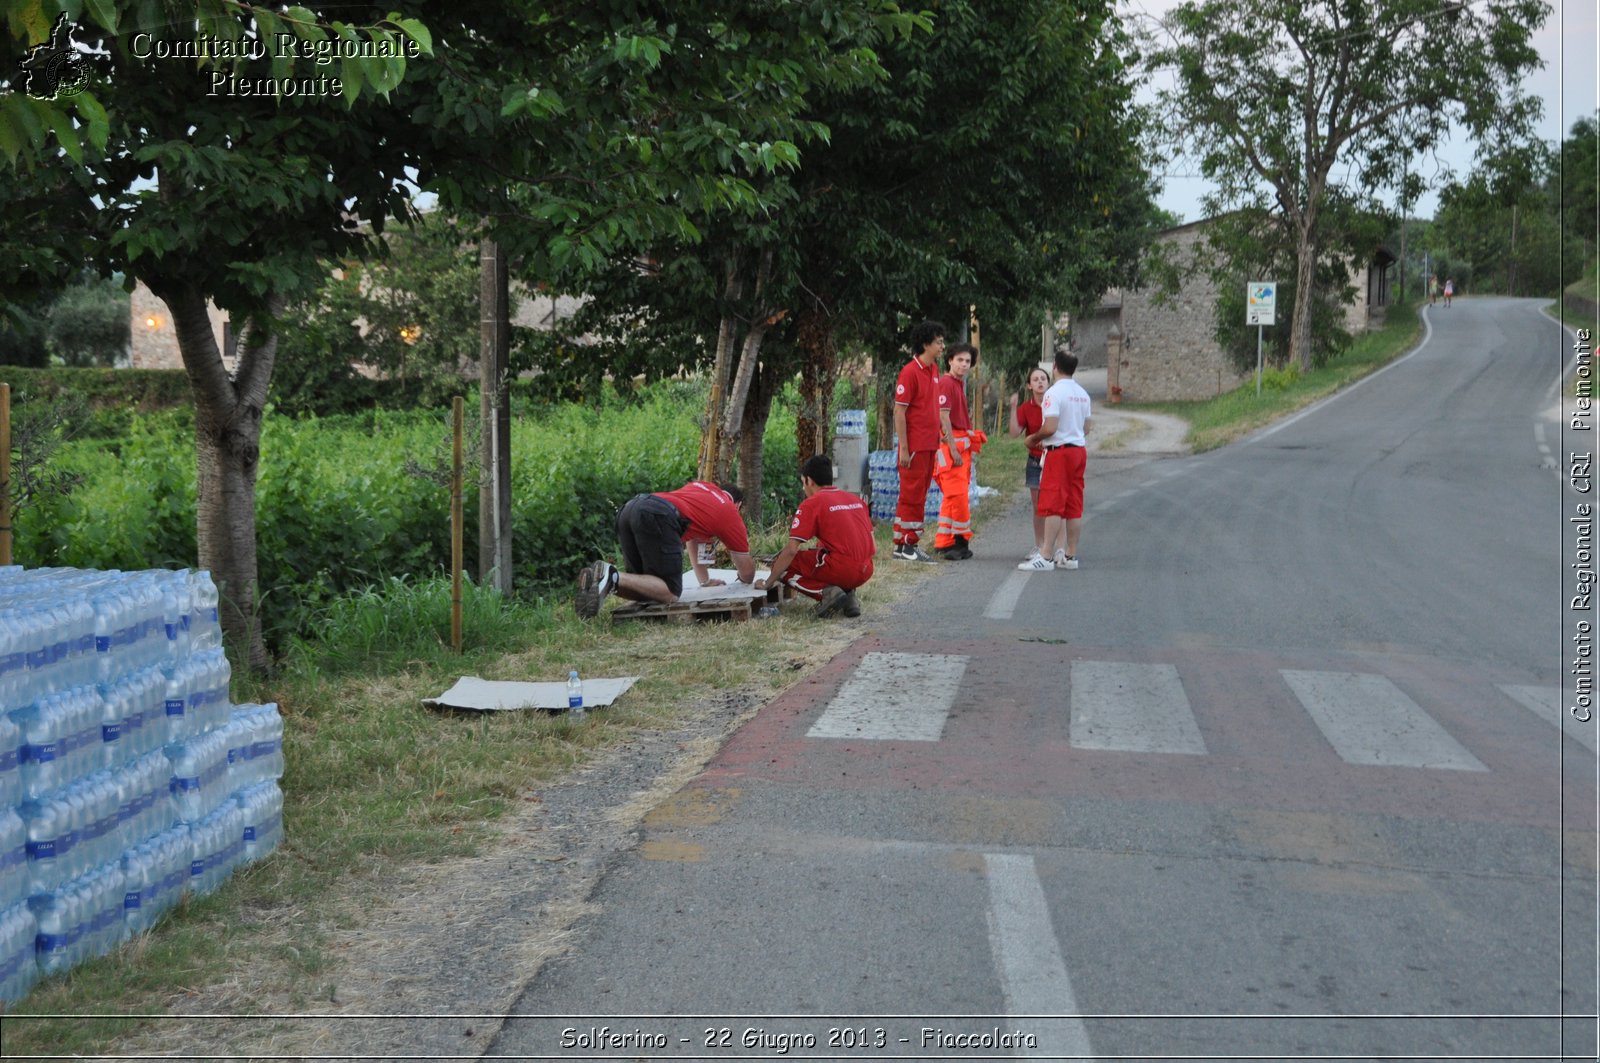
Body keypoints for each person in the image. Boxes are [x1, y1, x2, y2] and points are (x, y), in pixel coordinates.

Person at [575, 480, 756, 617]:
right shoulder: (730, 512)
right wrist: (742, 576)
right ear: (738, 505)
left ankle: (602, 582)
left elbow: (693, 541)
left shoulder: (702, 487)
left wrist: (705, 581)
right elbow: (747, 573)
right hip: (657, 515)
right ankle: (611, 574)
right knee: (670, 592)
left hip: (630, 508)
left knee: (645, 591)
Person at [755, 455, 874, 618]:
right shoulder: (855, 499)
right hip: (867, 569)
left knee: (781, 565)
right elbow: (872, 542)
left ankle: (829, 593)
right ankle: (849, 596)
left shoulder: (813, 503)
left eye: (803, 482)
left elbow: (791, 551)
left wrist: (768, 583)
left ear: (809, 481)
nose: (803, 488)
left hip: (843, 569)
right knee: (822, 547)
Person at [1019, 347, 1091, 572]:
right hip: (1079, 450)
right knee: (1073, 504)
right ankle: (1070, 554)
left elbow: (1050, 427)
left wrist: (1033, 438)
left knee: (1052, 503)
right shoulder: (1082, 393)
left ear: (1055, 368)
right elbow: (1086, 427)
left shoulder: (1054, 393)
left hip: (1059, 452)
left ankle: (1046, 555)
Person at [891, 320, 957, 562]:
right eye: (938, 342)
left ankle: (906, 543)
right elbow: (899, 412)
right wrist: (905, 450)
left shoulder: (935, 369)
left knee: (920, 494)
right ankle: (905, 545)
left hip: (930, 444)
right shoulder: (909, 372)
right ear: (926, 344)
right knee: (911, 495)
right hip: (915, 447)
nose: (942, 346)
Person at [932, 343, 988, 560]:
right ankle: (961, 544)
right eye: (960, 360)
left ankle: (944, 541)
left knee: (951, 497)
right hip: (952, 450)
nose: (964, 365)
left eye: (967, 361)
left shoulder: (955, 383)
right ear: (950, 360)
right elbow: (943, 416)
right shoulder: (947, 383)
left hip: (955, 448)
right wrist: (954, 450)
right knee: (958, 497)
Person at [1008, 366, 1051, 564]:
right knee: (1037, 506)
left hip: (1053, 458)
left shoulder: (1054, 404)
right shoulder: (1026, 408)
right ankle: (1039, 544)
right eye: (1036, 379)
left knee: (1054, 504)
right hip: (1035, 460)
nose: (1040, 382)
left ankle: (1053, 547)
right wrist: (1013, 408)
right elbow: (1015, 432)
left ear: (1048, 383)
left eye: (1043, 378)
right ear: (1029, 385)